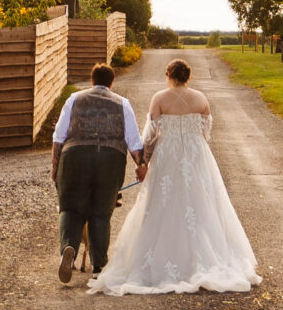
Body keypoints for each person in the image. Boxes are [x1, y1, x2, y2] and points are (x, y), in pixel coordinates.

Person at [88, 58, 260, 295]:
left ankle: (161, 259)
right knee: (201, 203)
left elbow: (150, 137)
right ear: (187, 76)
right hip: (196, 155)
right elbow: (205, 132)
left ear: (169, 75)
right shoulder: (201, 99)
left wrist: (143, 163)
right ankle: (204, 256)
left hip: (167, 156)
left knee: (163, 203)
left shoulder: (159, 98)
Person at [52, 63, 145, 283]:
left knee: (70, 209)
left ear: (92, 80)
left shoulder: (74, 99)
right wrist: (140, 165)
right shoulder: (122, 103)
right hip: (110, 159)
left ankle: (69, 249)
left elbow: (59, 135)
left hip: (75, 155)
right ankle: (98, 266)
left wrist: (55, 165)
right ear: (112, 83)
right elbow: (133, 139)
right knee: (101, 214)